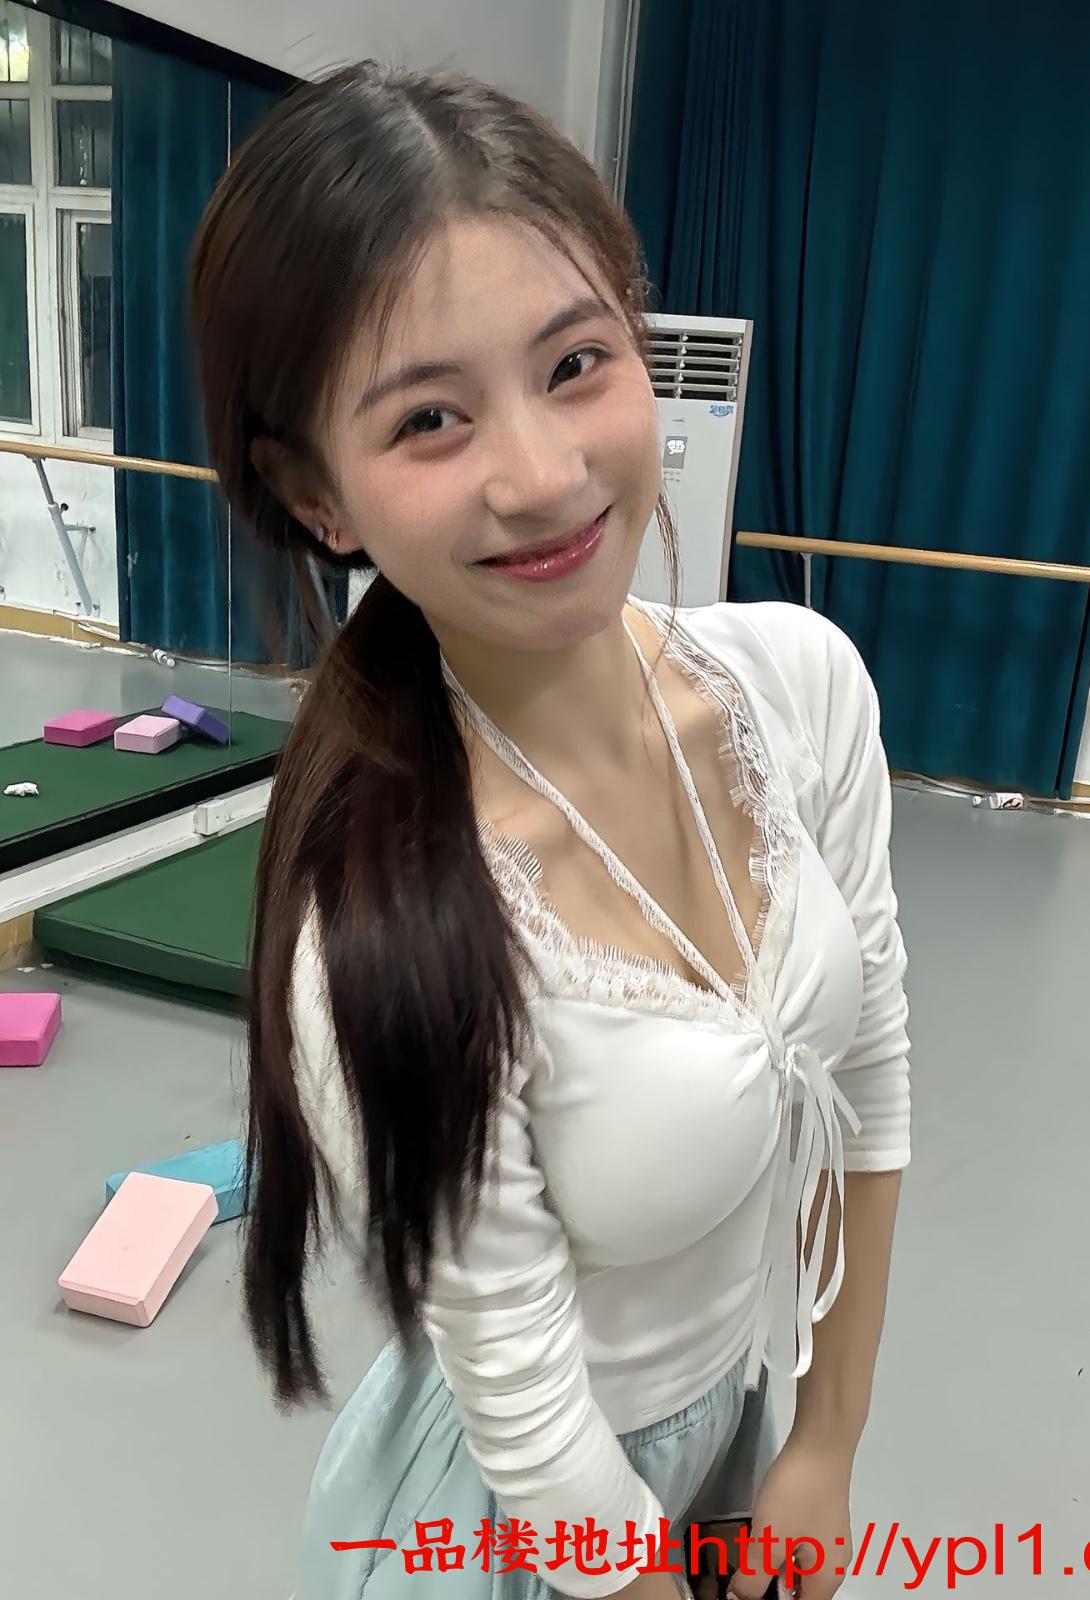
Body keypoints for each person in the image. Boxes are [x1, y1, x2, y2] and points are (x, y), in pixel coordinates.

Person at [188, 62, 912, 1600]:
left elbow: (865, 1080)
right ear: (316, 495)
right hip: (521, 1531)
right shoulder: (388, 933)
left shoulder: (802, 689)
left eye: (577, 362)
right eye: (430, 418)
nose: (544, 474)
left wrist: (827, 1436)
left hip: (735, 1438)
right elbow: (525, 1405)